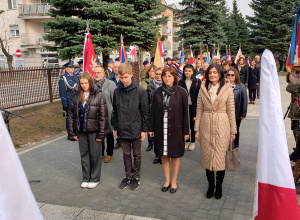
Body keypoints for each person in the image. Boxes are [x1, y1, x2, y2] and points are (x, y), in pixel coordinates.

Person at [195, 64, 236, 200]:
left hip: (222, 126)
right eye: (210, 73)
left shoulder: (227, 89)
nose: (212, 75)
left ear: (220, 74)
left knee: (220, 159)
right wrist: (197, 129)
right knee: (207, 157)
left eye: (214, 72)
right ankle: (210, 186)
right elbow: (199, 110)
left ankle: (219, 186)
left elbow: (231, 111)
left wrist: (232, 131)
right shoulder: (202, 88)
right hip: (206, 126)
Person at [148, 67, 189, 194]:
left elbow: (185, 113)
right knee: (164, 154)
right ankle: (167, 180)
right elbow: (153, 111)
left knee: (175, 156)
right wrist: (151, 128)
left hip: (176, 128)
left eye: (170, 76)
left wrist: (186, 131)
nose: (167, 78)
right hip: (161, 127)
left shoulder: (181, 92)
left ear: (174, 77)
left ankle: (174, 181)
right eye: (165, 76)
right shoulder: (157, 92)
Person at [111, 63, 149, 190]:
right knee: (126, 154)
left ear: (132, 75)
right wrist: (116, 128)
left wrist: (144, 130)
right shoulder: (117, 92)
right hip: (122, 128)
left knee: (137, 154)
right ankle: (128, 176)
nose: (123, 80)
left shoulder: (140, 92)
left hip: (136, 128)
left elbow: (145, 112)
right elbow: (115, 112)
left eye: (126, 77)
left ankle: (136, 177)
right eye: (121, 78)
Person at [68, 72, 108, 189]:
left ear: (90, 82)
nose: (84, 85)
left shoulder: (99, 95)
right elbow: (71, 114)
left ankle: (95, 178)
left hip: (94, 130)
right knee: (84, 154)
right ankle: (86, 177)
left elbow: (103, 116)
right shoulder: (76, 95)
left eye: (86, 83)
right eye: (82, 83)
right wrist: (71, 131)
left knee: (95, 155)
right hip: (81, 130)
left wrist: (102, 133)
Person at [94, 66, 117, 163]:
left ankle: (109, 154)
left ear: (104, 73)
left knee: (109, 134)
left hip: (108, 114)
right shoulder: (92, 84)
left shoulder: (111, 84)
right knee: (99, 135)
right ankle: (101, 153)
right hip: (96, 115)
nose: (97, 74)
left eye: (99, 72)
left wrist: (114, 113)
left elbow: (114, 100)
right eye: (95, 72)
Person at [178, 64, 201, 151]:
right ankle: (186, 141)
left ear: (193, 72)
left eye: (189, 71)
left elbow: (200, 96)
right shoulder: (180, 82)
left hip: (194, 106)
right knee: (185, 123)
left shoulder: (197, 81)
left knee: (193, 124)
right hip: (183, 106)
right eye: (186, 71)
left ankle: (192, 142)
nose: (187, 72)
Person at [226, 68, 247, 148]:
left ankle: (235, 147)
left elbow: (244, 100)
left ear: (236, 76)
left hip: (236, 113)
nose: (230, 76)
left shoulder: (241, 86)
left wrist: (243, 113)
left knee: (235, 130)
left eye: (232, 75)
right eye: (228, 75)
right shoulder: (223, 85)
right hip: (225, 113)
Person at [146, 67, 163, 163]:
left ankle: (163, 156)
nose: (158, 76)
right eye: (157, 74)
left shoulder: (166, 85)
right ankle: (157, 156)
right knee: (155, 136)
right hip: (153, 113)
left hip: (163, 113)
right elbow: (147, 99)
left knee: (162, 136)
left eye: (160, 74)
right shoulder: (150, 85)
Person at [59, 61, 79, 141]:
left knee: (76, 116)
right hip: (69, 99)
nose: (72, 69)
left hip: (76, 98)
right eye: (70, 68)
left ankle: (76, 132)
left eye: (73, 67)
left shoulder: (76, 76)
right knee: (70, 117)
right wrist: (64, 103)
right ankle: (70, 134)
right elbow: (62, 91)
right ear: (66, 69)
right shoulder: (63, 78)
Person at [108, 61, 122, 149]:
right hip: (113, 103)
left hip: (122, 103)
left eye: (118, 67)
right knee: (115, 122)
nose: (116, 69)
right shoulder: (109, 78)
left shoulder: (124, 78)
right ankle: (118, 140)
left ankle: (124, 139)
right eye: (114, 67)